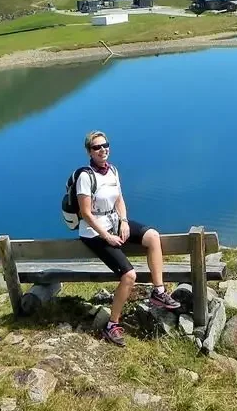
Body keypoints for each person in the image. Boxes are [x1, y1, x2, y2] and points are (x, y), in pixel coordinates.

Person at [76, 130, 180, 347]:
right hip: (94, 232)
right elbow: (85, 213)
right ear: (89, 151)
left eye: (105, 145)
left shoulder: (112, 170)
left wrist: (123, 221)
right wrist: (107, 236)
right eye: (97, 147)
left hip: (114, 223)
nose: (102, 150)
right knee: (129, 275)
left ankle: (158, 292)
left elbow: (119, 200)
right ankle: (111, 324)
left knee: (153, 236)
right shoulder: (85, 177)